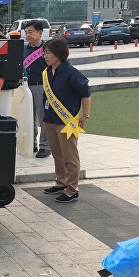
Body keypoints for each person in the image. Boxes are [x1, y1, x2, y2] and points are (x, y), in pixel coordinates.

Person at [42, 39, 91, 202]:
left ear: (59, 53)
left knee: (70, 156)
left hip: (66, 122)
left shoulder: (71, 72)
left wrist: (85, 115)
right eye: (44, 52)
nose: (45, 56)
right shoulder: (47, 72)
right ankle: (61, 182)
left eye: (48, 52)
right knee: (57, 155)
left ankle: (72, 189)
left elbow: (86, 94)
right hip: (49, 120)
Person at [23, 20, 50, 158]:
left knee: (43, 118)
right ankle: (31, 143)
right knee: (28, 118)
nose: (27, 35)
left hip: (42, 87)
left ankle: (45, 146)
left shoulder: (47, 49)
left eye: (30, 32)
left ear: (40, 33)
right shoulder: (24, 50)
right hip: (25, 87)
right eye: (26, 32)